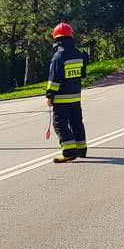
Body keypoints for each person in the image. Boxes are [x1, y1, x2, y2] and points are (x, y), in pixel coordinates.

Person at [45, 22, 88, 163]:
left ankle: (69, 151)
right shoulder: (79, 54)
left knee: (60, 124)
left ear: (57, 39)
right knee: (76, 122)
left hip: (62, 98)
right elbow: (81, 75)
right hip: (75, 97)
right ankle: (82, 149)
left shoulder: (58, 56)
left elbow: (54, 78)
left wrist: (50, 95)